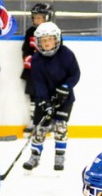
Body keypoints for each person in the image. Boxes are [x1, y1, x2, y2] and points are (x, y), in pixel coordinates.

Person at [23, 21, 80, 172]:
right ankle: (34, 157)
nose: (47, 43)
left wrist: (65, 88)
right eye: (43, 40)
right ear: (38, 42)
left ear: (57, 39)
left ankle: (59, 157)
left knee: (61, 127)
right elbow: (38, 83)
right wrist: (45, 102)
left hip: (65, 99)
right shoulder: (36, 59)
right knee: (40, 127)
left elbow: (75, 74)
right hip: (44, 99)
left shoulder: (66, 54)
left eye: (50, 39)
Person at [21, 3, 55, 135]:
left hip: (49, 73)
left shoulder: (54, 31)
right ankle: (33, 120)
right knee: (33, 96)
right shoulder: (30, 32)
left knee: (49, 97)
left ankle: (48, 121)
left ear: (47, 17)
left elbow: (58, 50)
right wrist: (30, 63)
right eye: (34, 18)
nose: (36, 20)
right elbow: (26, 50)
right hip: (33, 72)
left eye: (39, 18)